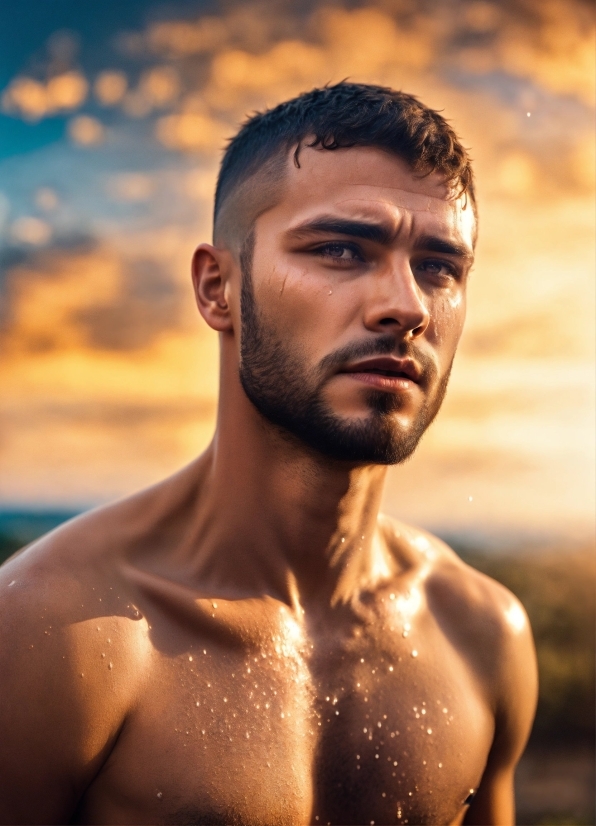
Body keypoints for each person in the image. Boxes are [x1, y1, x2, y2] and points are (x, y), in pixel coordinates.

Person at [0, 82, 537, 826]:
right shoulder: (46, 636)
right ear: (218, 287)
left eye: (440, 266)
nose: (407, 306)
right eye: (342, 249)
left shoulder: (481, 632)